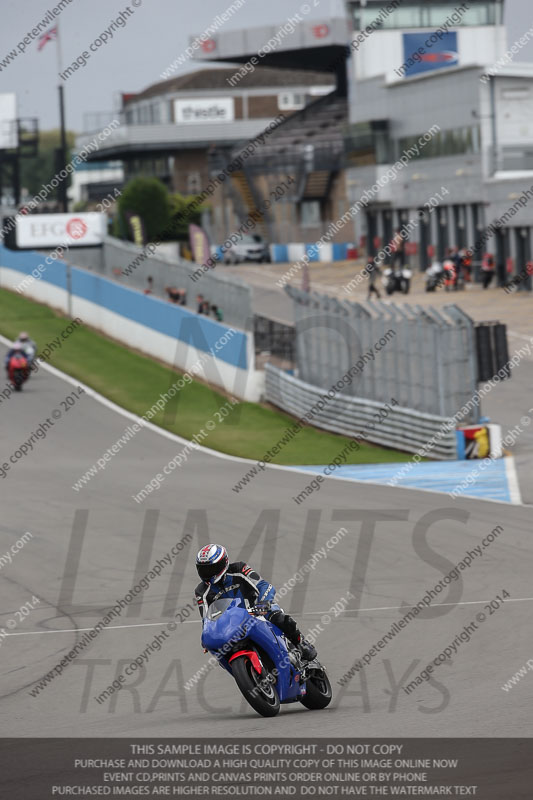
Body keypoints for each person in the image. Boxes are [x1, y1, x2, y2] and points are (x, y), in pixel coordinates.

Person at [194, 544, 317, 661]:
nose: (208, 573)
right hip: (232, 624)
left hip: (256, 611)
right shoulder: (201, 591)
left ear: (224, 563)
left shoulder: (239, 569)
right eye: (204, 569)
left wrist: (263, 603)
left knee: (277, 617)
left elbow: (263, 585)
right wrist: (207, 636)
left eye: (212, 568)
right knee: (220, 650)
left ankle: (300, 642)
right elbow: (206, 618)